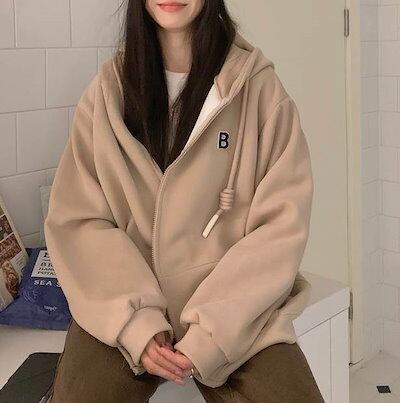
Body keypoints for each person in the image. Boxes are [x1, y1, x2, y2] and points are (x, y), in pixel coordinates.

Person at [43, 0, 325, 401]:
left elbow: (280, 228)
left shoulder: (260, 92)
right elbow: (80, 221)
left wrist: (211, 333)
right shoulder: (107, 95)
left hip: (234, 313)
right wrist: (136, 324)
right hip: (125, 301)